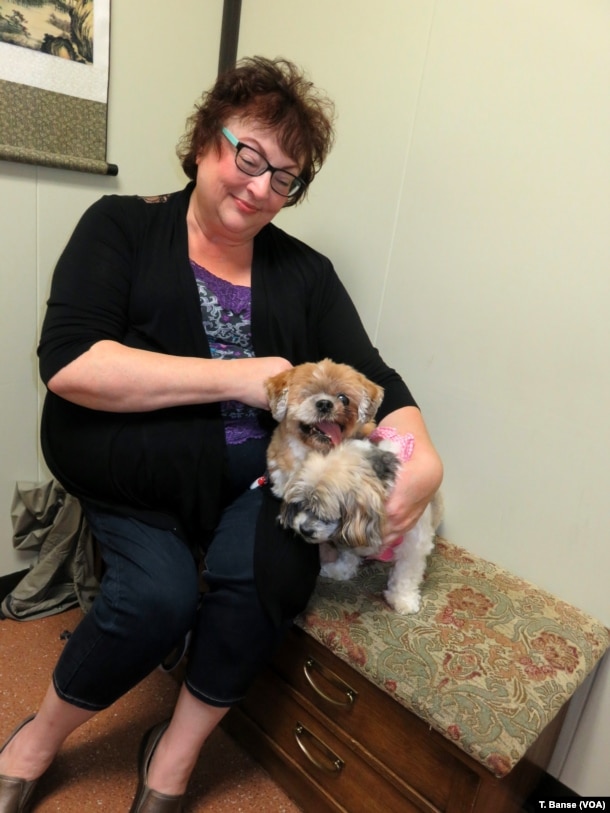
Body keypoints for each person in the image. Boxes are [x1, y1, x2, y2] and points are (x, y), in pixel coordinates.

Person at [0, 56, 443, 812]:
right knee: (155, 598)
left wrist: (423, 458)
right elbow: (71, 363)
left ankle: (173, 753)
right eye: (250, 157)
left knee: (271, 574)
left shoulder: (304, 272)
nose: (261, 186)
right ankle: (39, 736)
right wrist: (245, 377)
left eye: (286, 177)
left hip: (259, 481)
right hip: (130, 479)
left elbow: (378, 379)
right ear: (207, 139)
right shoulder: (122, 226)